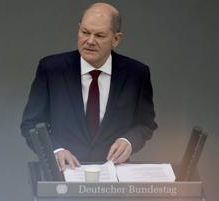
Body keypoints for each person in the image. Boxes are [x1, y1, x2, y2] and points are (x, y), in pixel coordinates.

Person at [20, 2, 157, 171]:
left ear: (116, 39)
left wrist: (129, 141)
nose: (90, 41)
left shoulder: (137, 74)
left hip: (113, 177)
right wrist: (55, 149)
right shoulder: (51, 69)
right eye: (85, 32)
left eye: (99, 35)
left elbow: (145, 124)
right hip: (64, 174)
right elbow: (31, 124)